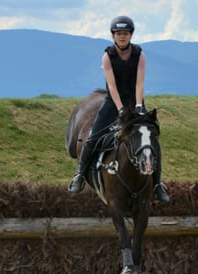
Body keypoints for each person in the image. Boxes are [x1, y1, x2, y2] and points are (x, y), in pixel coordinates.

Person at [69, 15, 170, 204]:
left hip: (135, 102)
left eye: (125, 33)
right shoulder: (107, 56)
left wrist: (138, 105)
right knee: (92, 138)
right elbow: (112, 86)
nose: (122, 37)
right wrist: (120, 109)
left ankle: (157, 185)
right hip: (112, 103)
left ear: (131, 35)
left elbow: (140, 83)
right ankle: (80, 175)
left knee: (151, 140)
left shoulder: (140, 55)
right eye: (118, 34)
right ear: (113, 36)